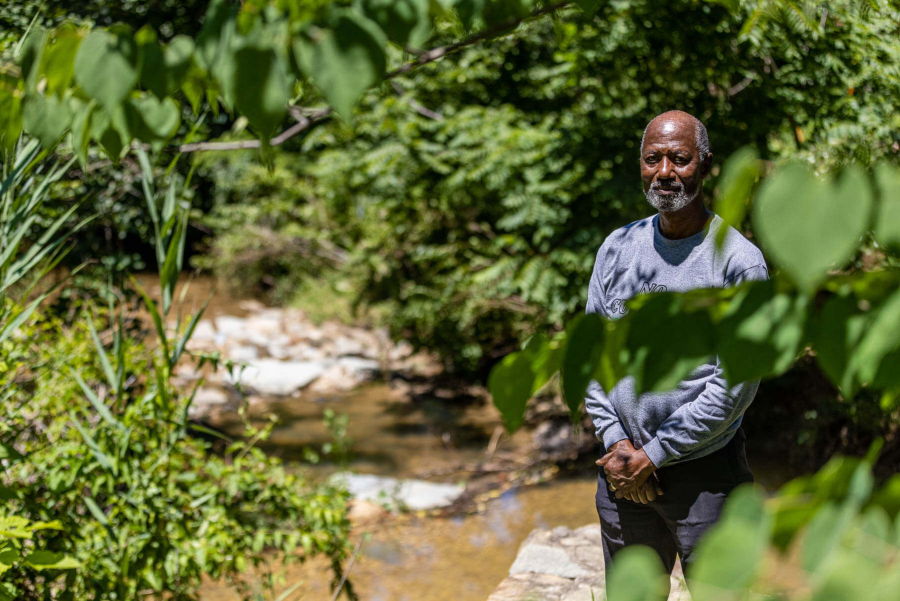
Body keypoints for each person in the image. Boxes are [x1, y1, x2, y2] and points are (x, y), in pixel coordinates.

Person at [585, 110, 769, 588]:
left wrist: (657, 453)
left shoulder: (738, 263)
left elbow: (735, 386)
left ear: (705, 165)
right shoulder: (617, 248)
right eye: (653, 159)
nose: (664, 172)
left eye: (679, 159)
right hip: (622, 471)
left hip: (705, 479)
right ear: (640, 165)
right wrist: (618, 445)